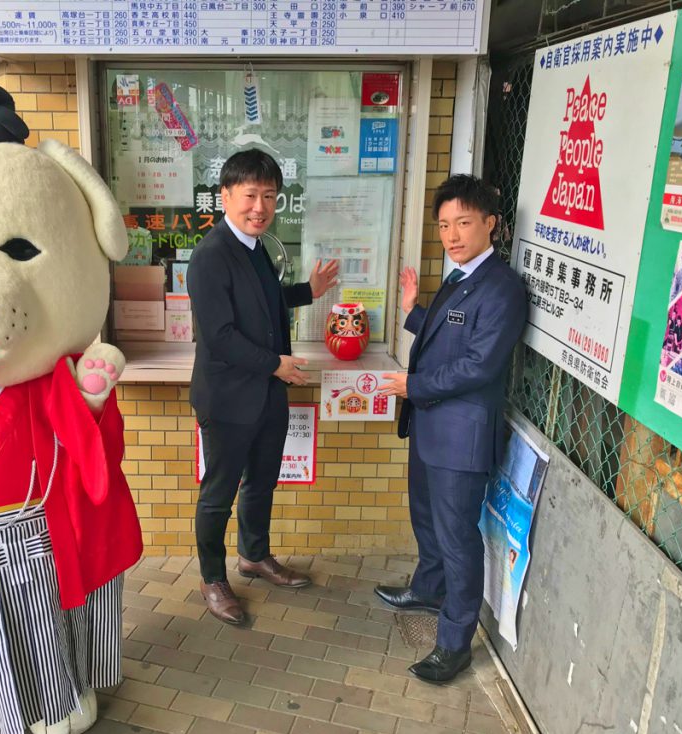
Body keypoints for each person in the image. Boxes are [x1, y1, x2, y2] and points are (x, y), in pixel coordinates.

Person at [375, 175, 527, 684]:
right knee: (426, 516)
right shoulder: (460, 277)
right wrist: (414, 311)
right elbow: (451, 336)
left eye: (463, 222)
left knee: (458, 537)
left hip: (461, 436)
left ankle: (454, 642)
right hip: (431, 427)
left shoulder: (502, 287)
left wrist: (412, 384)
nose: (452, 234)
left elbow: (478, 366)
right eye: (444, 225)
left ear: (491, 223)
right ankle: (428, 587)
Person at [187, 149, 339, 625]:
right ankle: (213, 578)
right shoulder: (211, 256)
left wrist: (306, 293)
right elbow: (221, 336)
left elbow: (265, 303)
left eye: (269, 196)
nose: (260, 206)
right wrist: (276, 364)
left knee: (262, 483)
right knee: (218, 493)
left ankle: (254, 556)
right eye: (250, 195)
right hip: (229, 398)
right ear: (226, 196)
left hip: (268, 394)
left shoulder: (257, 249)